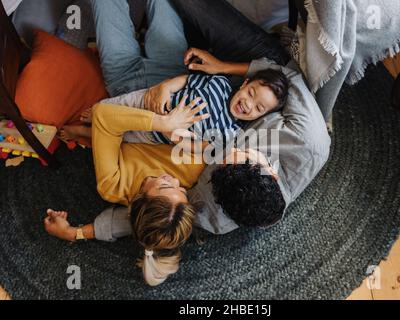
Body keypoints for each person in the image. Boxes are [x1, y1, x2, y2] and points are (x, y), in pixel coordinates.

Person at [45, 0, 331, 285]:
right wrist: (222, 68)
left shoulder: (212, 206)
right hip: (210, 78)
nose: (227, 150)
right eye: (237, 153)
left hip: (135, 97)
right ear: (271, 168)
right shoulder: (309, 140)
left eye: (223, 158)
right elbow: (284, 74)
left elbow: (148, 220)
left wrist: (78, 233)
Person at [60, 68, 290, 151]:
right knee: (109, 108)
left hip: (154, 133)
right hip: (149, 104)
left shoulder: (230, 132)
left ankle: (83, 134)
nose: (248, 104)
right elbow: (185, 81)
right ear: (244, 84)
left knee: (117, 136)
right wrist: (166, 88)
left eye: (258, 108)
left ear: (261, 116)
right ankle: (98, 113)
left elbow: (199, 147)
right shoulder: (218, 84)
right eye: (250, 93)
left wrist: (174, 138)